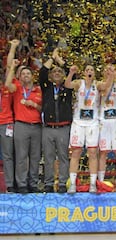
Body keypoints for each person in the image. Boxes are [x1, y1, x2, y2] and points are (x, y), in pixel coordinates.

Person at [65, 64, 105, 193]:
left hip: (92, 123)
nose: (89, 71)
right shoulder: (79, 83)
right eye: (87, 70)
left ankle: (93, 183)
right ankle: (72, 184)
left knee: (93, 153)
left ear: (94, 73)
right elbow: (67, 85)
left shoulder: (97, 85)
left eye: (91, 70)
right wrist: (71, 72)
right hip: (78, 122)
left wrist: (111, 76)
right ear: (84, 73)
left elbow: (106, 86)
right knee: (76, 152)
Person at [6, 59, 42, 193]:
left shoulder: (38, 90)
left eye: (28, 74)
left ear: (32, 76)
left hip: (37, 126)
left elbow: (43, 108)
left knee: (35, 156)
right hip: (21, 125)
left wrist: (34, 105)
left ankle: (33, 183)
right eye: (23, 74)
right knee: (21, 156)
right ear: (20, 77)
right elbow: (8, 84)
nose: (26, 76)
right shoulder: (17, 89)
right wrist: (13, 68)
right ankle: (21, 184)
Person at [40, 48, 73, 193]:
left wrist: (59, 60)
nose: (57, 73)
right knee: (48, 157)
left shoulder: (68, 87)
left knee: (63, 157)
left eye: (60, 72)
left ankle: (62, 183)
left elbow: (73, 72)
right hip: (48, 128)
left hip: (64, 128)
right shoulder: (46, 88)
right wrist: (52, 59)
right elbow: (42, 73)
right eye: (54, 72)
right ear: (51, 76)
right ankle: (48, 183)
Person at [97, 64, 116, 191]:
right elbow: (103, 92)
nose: (110, 71)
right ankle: (101, 181)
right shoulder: (100, 84)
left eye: (112, 69)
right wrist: (110, 79)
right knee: (103, 152)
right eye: (107, 70)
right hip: (104, 121)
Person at [0, 40, 18, 193]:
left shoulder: (7, 86)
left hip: (6, 124)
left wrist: (12, 46)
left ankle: (10, 185)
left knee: (7, 155)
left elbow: (9, 65)